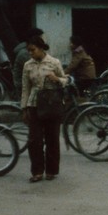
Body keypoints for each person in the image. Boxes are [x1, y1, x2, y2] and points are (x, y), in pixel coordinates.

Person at [21, 35, 68, 183]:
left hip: (51, 105)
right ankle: (37, 171)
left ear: (41, 48)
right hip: (34, 105)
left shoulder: (54, 62)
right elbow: (25, 88)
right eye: (28, 50)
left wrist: (57, 79)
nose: (30, 53)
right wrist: (24, 108)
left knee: (52, 138)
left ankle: (51, 171)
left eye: (32, 50)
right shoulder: (27, 65)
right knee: (34, 140)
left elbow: (66, 80)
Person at [13, 28, 44, 100]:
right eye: (40, 37)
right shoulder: (24, 53)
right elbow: (35, 68)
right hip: (24, 86)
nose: (43, 40)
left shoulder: (35, 49)